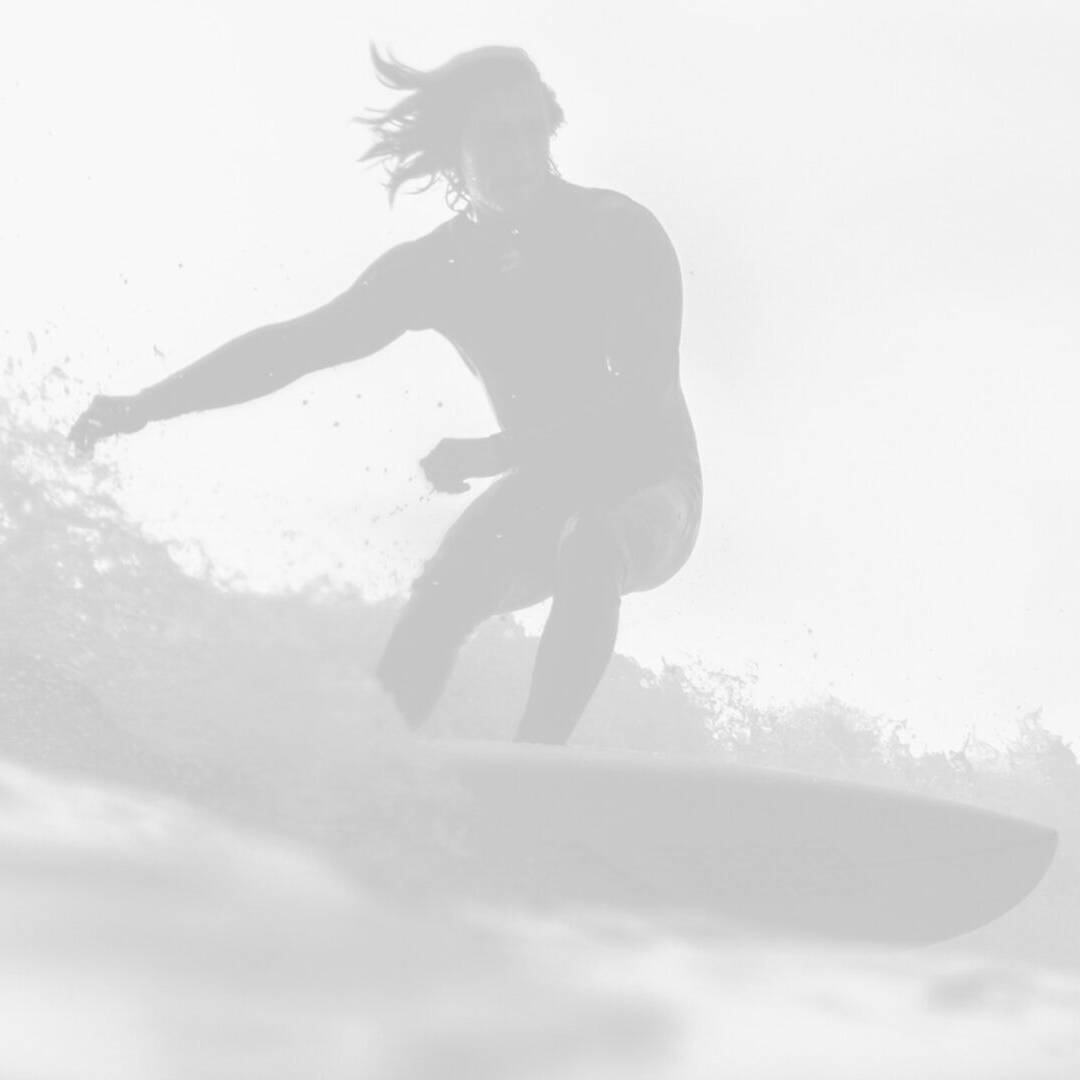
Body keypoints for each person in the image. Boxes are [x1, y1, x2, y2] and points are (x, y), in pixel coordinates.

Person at [69, 43, 703, 745]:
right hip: (543, 484)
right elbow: (297, 346)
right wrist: (147, 404)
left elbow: (641, 406)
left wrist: (498, 450)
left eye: (534, 132)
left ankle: (537, 766)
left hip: (649, 482)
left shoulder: (615, 230)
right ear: (454, 150)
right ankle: (368, 782)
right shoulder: (439, 268)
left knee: (589, 545)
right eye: (498, 137)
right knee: (441, 597)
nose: (523, 154)